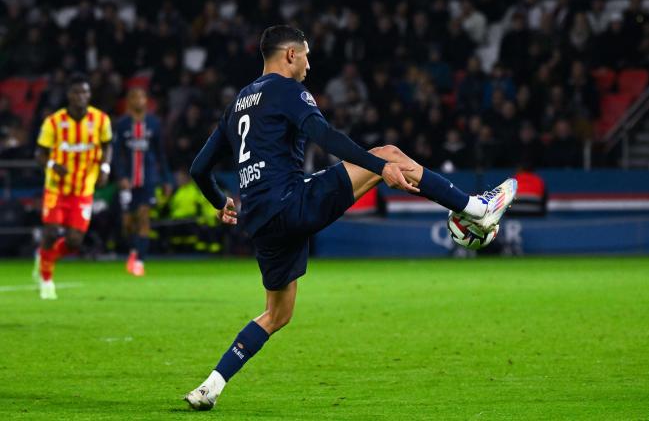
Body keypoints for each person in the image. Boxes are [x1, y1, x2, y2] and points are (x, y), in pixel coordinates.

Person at [184, 25, 518, 410]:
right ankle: (478, 209)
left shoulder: (237, 103)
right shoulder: (287, 91)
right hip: (292, 203)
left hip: (259, 222)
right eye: (306, 54)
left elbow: (199, 168)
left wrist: (219, 200)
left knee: (277, 315)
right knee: (391, 154)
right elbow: (327, 138)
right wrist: (380, 167)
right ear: (290, 54)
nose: (309, 63)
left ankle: (212, 385)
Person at [32, 73, 113, 299]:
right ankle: (46, 280)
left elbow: (107, 146)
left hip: (83, 188)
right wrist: (51, 164)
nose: (81, 96)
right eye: (76, 92)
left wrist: (105, 168)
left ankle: (45, 256)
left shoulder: (101, 120)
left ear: (89, 95)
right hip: (56, 187)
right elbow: (39, 152)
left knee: (75, 241)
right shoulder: (54, 122)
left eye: (85, 92)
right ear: (69, 95)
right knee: (50, 231)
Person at [114, 87, 172, 276]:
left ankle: (139, 261)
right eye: (134, 97)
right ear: (129, 101)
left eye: (141, 96)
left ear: (146, 100)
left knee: (144, 216)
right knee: (128, 223)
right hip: (128, 181)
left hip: (148, 179)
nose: (138, 100)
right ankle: (133, 250)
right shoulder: (122, 125)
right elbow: (116, 154)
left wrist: (166, 180)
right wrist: (121, 176)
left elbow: (161, 154)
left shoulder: (154, 124)